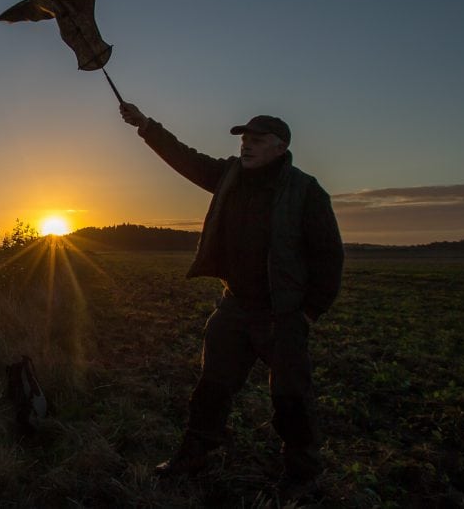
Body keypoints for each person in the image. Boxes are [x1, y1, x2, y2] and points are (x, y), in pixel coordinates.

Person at [119, 104, 344, 501]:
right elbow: (185, 159)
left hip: (284, 312)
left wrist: (309, 311)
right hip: (235, 305)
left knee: (291, 396)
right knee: (212, 386)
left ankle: (302, 474)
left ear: (280, 146)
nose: (246, 146)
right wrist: (146, 126)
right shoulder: (228, 176)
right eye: (244, 139)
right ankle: (195, 455)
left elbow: (329, 255)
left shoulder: (306, 191)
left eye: (256, 140)